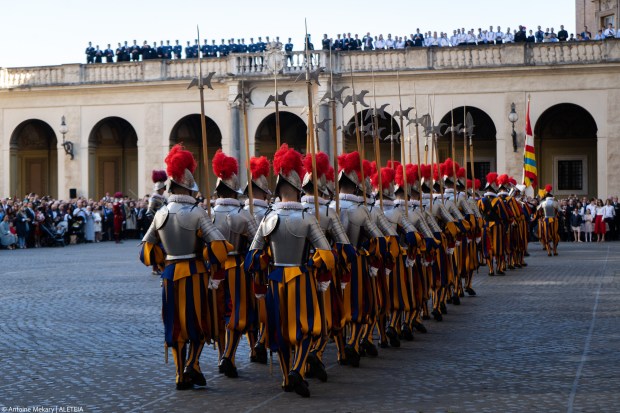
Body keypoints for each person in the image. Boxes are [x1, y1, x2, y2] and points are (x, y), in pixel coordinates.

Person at [246, 144, 335, 398]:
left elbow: (251, 257)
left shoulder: (267, 218)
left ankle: (286, 378)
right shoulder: (308, 217)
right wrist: (317, 266)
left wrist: (262, 268)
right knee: (307, 329)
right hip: (301, 278)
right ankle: (297, 369)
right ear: (297, 189)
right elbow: (327, 254)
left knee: (280, 331)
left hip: (275, 279)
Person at [140, 144, 230, 390]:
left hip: (169, 274)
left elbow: (145, 250)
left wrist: (162, 259)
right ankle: (192, 363)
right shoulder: (197, 212)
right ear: (188, 187)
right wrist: (207, 252)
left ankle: (180, 374)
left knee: (175, 325)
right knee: (199, 322)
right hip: (195, 273)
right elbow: (218, 246)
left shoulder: (161, 213)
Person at [209, 150, 259, 379]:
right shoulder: (243, 214)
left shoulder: (207, 213)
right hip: (237, 267)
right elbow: (256, 242)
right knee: (239, 312)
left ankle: (222, 354)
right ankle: (228, 355)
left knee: (218, 313)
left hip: (213, 270)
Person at [538, 185, 559, 255]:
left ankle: (549, 251)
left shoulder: (542, 202)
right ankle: (555, 250)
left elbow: (538, 211)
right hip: (554, 220)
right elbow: (559, 211)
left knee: (546, 235)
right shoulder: (555, 202)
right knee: (555, 235)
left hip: (545, 220)